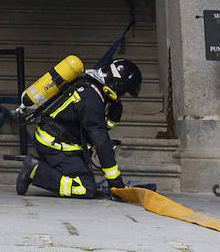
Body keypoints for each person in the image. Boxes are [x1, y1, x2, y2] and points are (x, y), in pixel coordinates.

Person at [16, 58, 142, 198]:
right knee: (86, 188)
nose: (121, 96)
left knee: (84, 176)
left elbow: (100, 128)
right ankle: (35, 170)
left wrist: (115, 112)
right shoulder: (92, 99)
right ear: (118, 85)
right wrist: (116, 183)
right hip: (54, 145)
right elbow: (101, 142)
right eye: (123, 92)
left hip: (59, 138)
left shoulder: (90, 83)